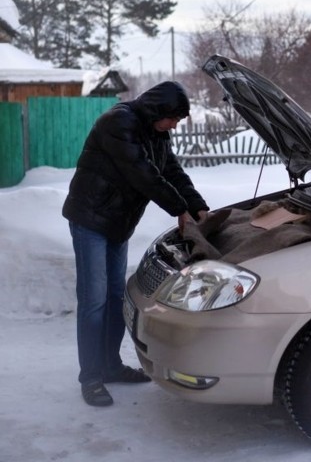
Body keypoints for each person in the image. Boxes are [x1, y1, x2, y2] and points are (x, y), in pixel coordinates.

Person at [62, 81, 210, 407]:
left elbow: (171, 170)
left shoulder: (156, 132)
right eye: (174, 118)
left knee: (117, 297)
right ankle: (90, 377)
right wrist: (178, 209)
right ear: (159, 110)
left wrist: (197, 205)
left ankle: (111, 366)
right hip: (90, 220)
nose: (174, 126)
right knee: (94, 300)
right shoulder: (118, 122)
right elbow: (143, 173)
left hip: (118, 224)